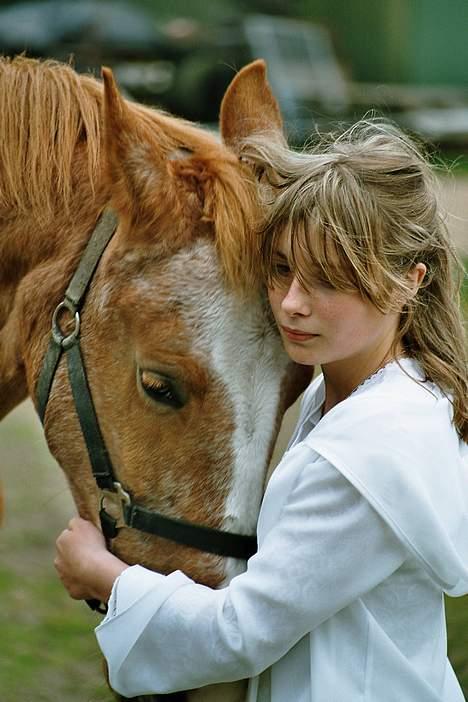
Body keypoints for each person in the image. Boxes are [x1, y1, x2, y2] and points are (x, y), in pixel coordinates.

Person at [55, 119, 468, 701]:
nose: (292, 304)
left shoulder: (373, 450)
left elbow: (240, 633)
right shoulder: (375, 395)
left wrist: (103, 575)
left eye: (327, 279)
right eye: (280, 270)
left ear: (408, 282)